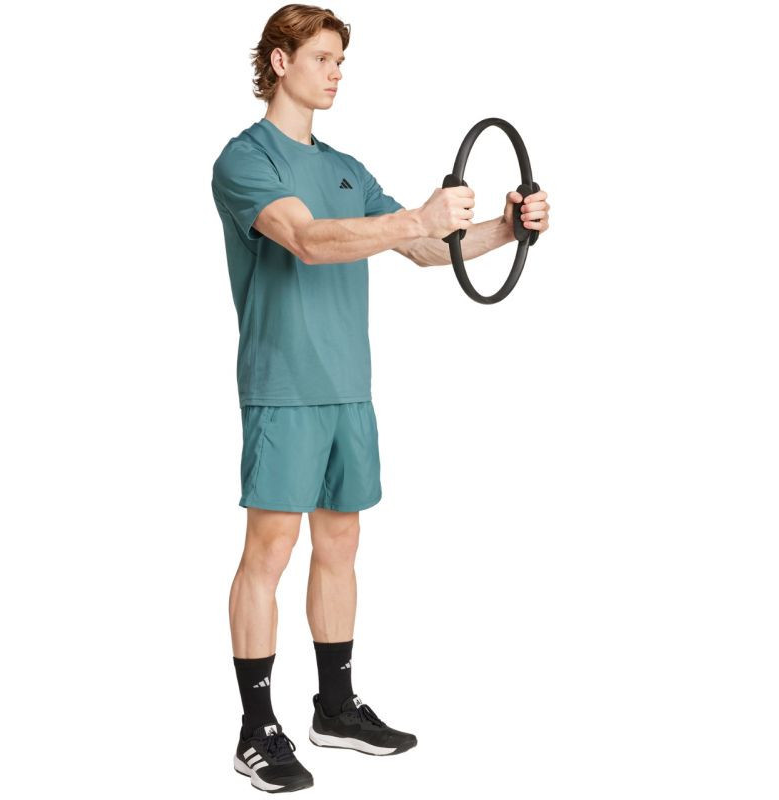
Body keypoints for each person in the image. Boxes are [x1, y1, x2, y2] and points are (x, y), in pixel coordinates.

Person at [210, 4, 550, 793]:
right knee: (269, 553)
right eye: (322, 58)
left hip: (348, 389)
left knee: (341, 546)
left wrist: (506, 227)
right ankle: (256, 730)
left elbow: (426, 247)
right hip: (284, 388)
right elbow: (307, 240)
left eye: (341, 61)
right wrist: (411, 217)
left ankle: (335, 708)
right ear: (280, 62)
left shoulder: (346, 168)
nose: (336, 73)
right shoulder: (245, 158)